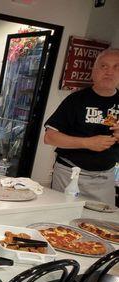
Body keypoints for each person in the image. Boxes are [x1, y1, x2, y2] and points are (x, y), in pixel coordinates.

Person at [44, 48, 119, 205]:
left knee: (100, 224)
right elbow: (50, 137)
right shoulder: (76, 100)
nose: (109, 72)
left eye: (116, 67)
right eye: (104, 66)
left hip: (105, 177)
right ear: (94, 71)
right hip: (70, 173)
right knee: (62, 220)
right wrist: (87, 143)